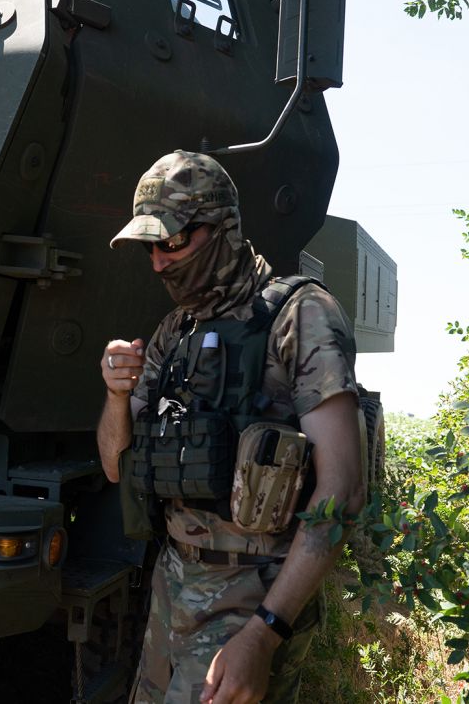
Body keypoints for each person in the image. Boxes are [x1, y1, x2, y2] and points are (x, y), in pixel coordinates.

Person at [97, 150, 365, 704]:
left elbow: (343, 491)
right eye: (150, 247)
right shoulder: (175, 332)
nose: (159, 264)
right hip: (173, 588)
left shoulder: (299, 315)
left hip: (253, 598)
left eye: (173, 242)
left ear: (222, 228)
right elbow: (115, 466)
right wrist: (116, 395)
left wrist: (265, 632)